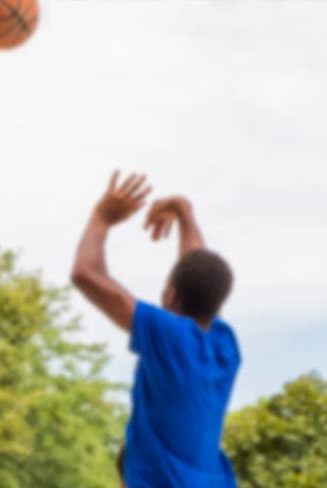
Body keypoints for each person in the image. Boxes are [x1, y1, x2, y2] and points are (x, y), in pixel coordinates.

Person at [70, 171, 239, 486]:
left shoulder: (170, 337)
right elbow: (197, 270)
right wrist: (184, 213)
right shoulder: (224, 345)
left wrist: (102, 217)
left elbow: (85, 274)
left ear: (171, 296)